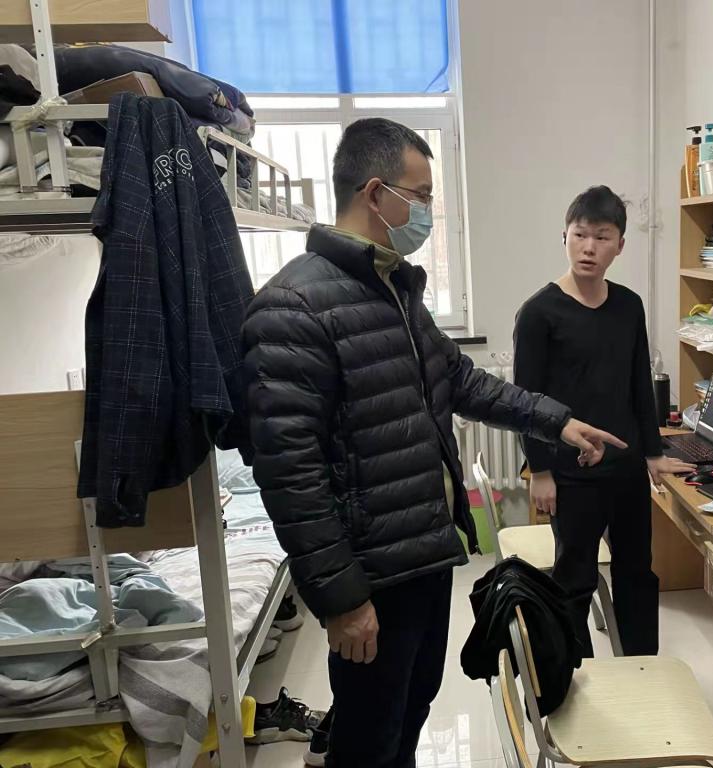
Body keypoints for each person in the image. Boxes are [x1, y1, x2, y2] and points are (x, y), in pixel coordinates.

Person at [242, 119, 625, 768]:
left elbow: (462, 381)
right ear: (375, 194)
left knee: (409, 712)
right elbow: (290, 474)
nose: (426, 212)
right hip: (372, 574)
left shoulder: (393, 289)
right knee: (367, 740)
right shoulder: (293, 307)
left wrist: (556, 421)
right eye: (419, 197)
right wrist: (342, 599)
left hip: (423, 552)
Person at [513, 185, 693, 657]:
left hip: (626, 469)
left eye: (602, 237)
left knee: (638, 573)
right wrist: (540, 470)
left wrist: (653, 453)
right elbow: (525, 402)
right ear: (565, 237)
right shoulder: (538, 313)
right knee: (575, 578)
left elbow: (639, 385)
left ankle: (642, 668)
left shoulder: (628, 306)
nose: (589, 247)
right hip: (571, 473)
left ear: (620, 245)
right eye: (580, 235)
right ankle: (577, 677)